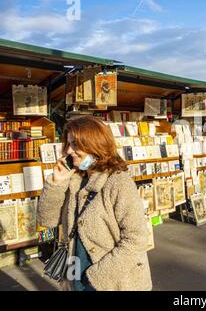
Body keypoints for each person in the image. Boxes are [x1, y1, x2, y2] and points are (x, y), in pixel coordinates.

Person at [37, 116, 152, 291]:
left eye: (75, 144)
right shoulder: (74, 178)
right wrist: (56, 183)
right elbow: (47, 219)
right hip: (75, 275)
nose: (68, 151)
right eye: (68, 144)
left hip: (112, 281)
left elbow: (137, 240)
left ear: (94, 145)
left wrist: (96, 277)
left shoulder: (118, 182)